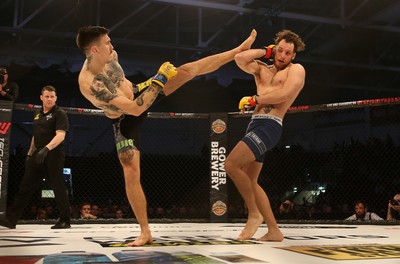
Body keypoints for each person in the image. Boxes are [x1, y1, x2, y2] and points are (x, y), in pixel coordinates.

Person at [76, 25, 256, 246]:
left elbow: (131, 89)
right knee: (131, 171)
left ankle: (237, 50)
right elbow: (134, 109)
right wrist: (159, 79)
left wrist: (153, 83)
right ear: (94, 50)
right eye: (107, 43)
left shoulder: (111, 56)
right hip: (125, 117)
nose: (112, 46)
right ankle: (145, 231)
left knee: (188, 70)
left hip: (139, 93)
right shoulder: (90, 84)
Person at [224, 29, 306, 242]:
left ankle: (254, 213)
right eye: (279, 51)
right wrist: (263, 51)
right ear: (274, 49)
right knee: (251, 181)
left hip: (270, 126)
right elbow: (239, 58)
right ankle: (274, 230)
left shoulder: (296, 70)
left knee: (231, 164)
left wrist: (255, 99)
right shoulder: (262, 69)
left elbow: (285, 94)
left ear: (293, 56)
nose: (282, 56)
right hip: (254, 125)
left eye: (288, 53)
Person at [0, 85, 71, 229]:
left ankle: (65, 220)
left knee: (58, 186)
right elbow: (35, 135)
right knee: (25, 186)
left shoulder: (59, 113)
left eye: (52, 96)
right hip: (37, 154)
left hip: (53, 154)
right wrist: (29, 153)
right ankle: (11, 220)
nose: (49, 99)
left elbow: (61, 135)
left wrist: (46, 149)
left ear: (56, 98)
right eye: (47, 96)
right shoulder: (38, 113)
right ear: (41, 97)